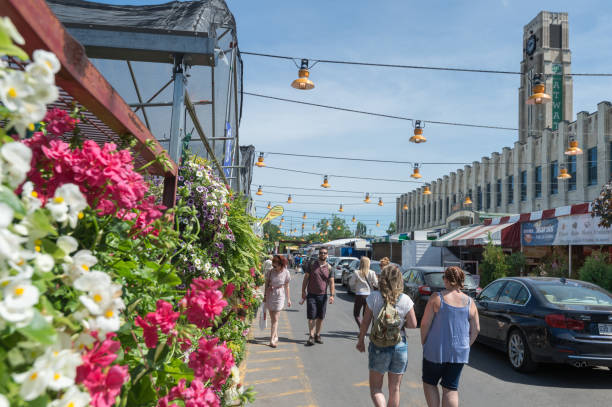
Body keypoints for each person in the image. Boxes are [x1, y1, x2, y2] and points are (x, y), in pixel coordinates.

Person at [356, 265, 417, 407]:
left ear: (383, 278)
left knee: (376, 388)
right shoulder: (406, 299)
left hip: (378, 344)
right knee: (395, 388)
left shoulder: (374, 297)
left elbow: (365, 322)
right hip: (399, 344)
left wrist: (361, 341)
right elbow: (413, 324)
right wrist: (400, 323)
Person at [420, 266, 480, 407]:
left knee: (430, 383)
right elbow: (476, 329)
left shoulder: (437, 298)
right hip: (459, 352)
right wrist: (467, 344)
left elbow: (424, 324)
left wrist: (424, 341)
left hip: (435, 350)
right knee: (450, 389)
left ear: (446, 279)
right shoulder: (470, 302)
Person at [301, 247, 335, 346]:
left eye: (324, 253)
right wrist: (303, 291)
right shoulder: (311, 265)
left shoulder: (329, 267)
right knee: (311, 317)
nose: (323, 254)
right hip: (311, 294)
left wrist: (332, 295)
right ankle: (311, 336)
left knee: (320, 317)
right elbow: (306, 278)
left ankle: (317, 335)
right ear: (318, 254)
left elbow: (332, 282)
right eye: (321, 253)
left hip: (323, 296)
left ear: (327, 255)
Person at [264, 255, 292, 348]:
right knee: (272, 319)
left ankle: (272, 339)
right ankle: (276, 336)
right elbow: (266, 284)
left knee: (275, 319)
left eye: (275, 266)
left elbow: (287, 286)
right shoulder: (270, 272)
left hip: (280, 295)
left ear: (281, 265)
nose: (274, 267)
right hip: (270, 294)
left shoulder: (286, 273)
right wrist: (264, 295)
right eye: (273, 265)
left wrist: (288, 299)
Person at [350, 256, 378, 329]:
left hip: (360, 294)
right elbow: (376, 284)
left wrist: (356, 283)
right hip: (369, 295)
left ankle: (361, 328)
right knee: (365, 315)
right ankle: (364, 330)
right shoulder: (372, 272)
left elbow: (351, 283)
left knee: (356, 314)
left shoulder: (356, 272)